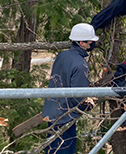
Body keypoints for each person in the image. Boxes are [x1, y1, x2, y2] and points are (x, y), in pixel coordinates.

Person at [42, 23, 98, 153]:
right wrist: (89, 104)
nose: (92, 44)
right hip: (66, 118)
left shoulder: (62, 55)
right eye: (90, 41)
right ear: (81, 43)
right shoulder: (81, 65)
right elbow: (77, 98)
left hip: (53, 114)